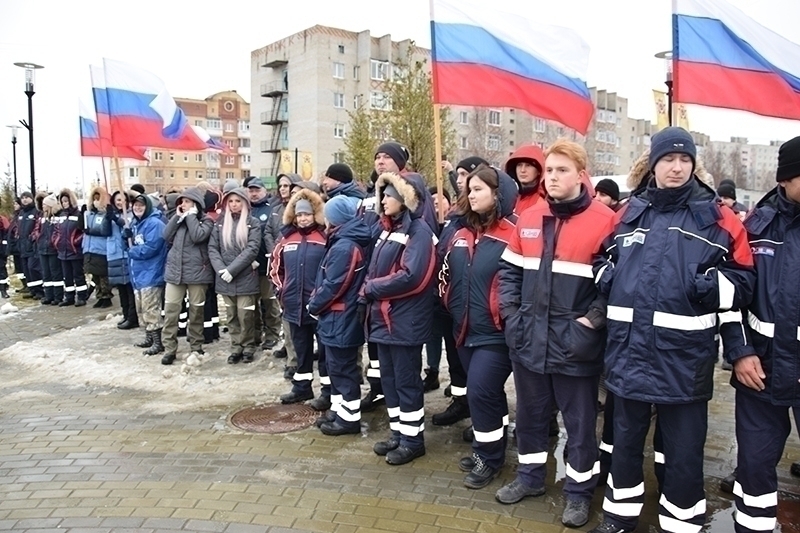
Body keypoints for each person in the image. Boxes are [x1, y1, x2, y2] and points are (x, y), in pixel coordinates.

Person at [588, 127, 755, 533]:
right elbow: (599, 259)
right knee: (625, 450)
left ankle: (681, 525)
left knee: (682, 456)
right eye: (668, 159)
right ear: (654, 164)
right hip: (628, 358)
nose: (676, 167)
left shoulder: (719, 219)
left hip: (684, 362)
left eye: (684, 160)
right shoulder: (629, 213)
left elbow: (745, 282)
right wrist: (609, 276)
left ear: (694, 166)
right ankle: (619, 520)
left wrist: (708, 285)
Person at [498, 140, 615, 527]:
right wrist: (512, 316)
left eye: (561, 170)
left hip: (575, 346)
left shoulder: (605, 221)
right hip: (529, 340)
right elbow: (510, 273)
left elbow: (614, 285)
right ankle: (530, 477)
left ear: (581, 175)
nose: (552, 177)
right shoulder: (530, 216)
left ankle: (579, 493)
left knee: (580, 426)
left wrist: (591, 323)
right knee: (530, 418)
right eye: (549, 170)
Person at [723, 136, 800, 533]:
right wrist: (739, 351)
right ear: (784, 179)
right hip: (761, 370)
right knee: (754, 469)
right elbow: (731, 299)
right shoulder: (754, 229)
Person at [438, 164, 519, 489]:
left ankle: (488, 457)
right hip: (464, 329)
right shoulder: (460, 234)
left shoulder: (513, 232)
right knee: (488, 396)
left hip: (496, 333)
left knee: (481, 390)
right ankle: (493, 444)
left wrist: (505, 314)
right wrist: (450, 303)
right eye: (469, 190)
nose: (471, 194)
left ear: (498, 194)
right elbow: (446, 274)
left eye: (479, 189)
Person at [363, 170, 436, 466]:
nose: (383, 200)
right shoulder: (387, 229)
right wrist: (369, 287)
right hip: (384, 318)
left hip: (404, 320)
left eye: (390, 195)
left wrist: (371, 288)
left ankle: (413, 440)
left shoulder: (419, 232)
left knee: (406, 382)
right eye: (383, 194)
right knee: (390, 381)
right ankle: (398, 432)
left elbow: (413, 277)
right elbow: (375, 268)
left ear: (406, 199)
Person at [310, 195, 371, 434]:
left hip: (341, 317)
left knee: (344, 369)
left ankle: (348, 420)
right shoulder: (342, 241)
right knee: (336, 367)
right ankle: (338, 411)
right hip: (337, 317)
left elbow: (335, 284)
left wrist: (314, 304)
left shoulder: (345, 246)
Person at [271, 187, 328, 404]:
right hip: (294, 305)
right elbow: (275, 268)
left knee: (324, 351)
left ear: (314, 214)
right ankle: (302, 387)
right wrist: (280, 290)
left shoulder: (324, 237)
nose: (303, 219)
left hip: (319, 307)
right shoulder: (286, 238)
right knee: (300, 349)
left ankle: (327, 391)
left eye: (307, 214)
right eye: (299, 215)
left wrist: (322, 296)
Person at [161, 187, 215, 366]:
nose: (183, 205)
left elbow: (198, 236)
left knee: (196, 312)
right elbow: (165, 235)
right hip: (175, 273)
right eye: (181, 202)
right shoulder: (178, 219)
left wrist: (191, 216)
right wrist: (177, 217)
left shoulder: (206, 221)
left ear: (196, 204)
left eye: (187, 202)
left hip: (197, 274)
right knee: (171, 312)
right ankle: (169, 348)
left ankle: (196, 345)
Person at [208, 187, 261, 364]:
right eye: (230, 201)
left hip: (245, 276)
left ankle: (248, 346)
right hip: (224, 278)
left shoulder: (252, 223)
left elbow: (252, 249)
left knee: (245, 314)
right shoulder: (221, 223)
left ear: (244, 203)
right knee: (231, 315)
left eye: (237, 201)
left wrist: (232, 270)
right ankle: (235, 346)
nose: (234, 205)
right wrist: (221, 269)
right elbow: (213, 248)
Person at [267, 172, 302, 376]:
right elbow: (272, 235)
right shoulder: (278, 212)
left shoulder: (316, 223)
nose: (284, 189)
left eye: (288, 186)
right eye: (281, 186)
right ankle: (292, 359)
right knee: (287, 319)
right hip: (286, 275)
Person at [127, 194, 168, 356]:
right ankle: (149, 337)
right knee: (141, 308)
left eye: (141, 205)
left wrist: (132, 250)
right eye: (135, 205)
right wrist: (126, 239)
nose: (137, 208)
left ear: (148, 206)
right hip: (138, 274)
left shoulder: (155, 224)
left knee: (151, 308)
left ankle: (158, 341)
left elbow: (152, 248)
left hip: (151, 272)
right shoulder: (136, 224)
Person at [247, 178, 282, 350]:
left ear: (264, 190)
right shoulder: (244, 210)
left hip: (267, 264)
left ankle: (272, 334)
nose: (254, 194)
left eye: (257, 190)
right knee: (251, 304)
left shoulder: (271, 210)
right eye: (251, 190)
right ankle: (255, 334)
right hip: (248, 266)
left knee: (269, 302)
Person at [107, 191, 138, 329]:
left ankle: (133, 316)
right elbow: (104, 231)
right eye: (118, 200)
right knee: (121, 288)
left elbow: (128, 226)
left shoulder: (131, 214)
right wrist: (107, 218)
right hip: (114, 254)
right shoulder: (111, 213)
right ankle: (125, 314)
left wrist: (116, 219)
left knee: (129, 287)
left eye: (123, 200)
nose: (120, 203)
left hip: (127, 254)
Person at [54, 189, 88, 307]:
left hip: (75, 250)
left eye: (66, 201)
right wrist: (56, 242)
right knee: (67, 276)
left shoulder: (78, 215)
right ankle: (69, 297)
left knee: (78, 275)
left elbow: (83, 232)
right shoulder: (61, 216)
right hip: (63, 251)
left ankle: (82, 297)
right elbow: (57, 230)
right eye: (62, 202)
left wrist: (75, 242)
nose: (64, 204)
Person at [83, 187, 114, 308]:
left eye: (98, 199)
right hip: (90, 248)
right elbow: (83, 227)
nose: (96, 201)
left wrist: (90, 231)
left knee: (103, 275)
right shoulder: (90, 214)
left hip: (101, 249)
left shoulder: (105, 214)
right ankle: (99, 295)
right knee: (95, 275)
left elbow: (104, 230)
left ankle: (106, 296)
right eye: (94, 199)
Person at [34, 194, 63, 306]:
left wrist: (53, 242)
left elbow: (58, 233)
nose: (43, 206)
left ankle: (58, 296)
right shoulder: (42, 218)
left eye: (45, 204)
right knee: (46, 274)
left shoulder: (56, 218)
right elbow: (38, 230)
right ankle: (49, 295)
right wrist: (37, 237)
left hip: (52, 249)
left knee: (55, 273)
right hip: (42, 248)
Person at [17, 191, 44, 299]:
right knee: (26, 270)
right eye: (22, 198)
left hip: (32, 246)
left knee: (33, 268)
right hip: (22, 246)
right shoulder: (21, 213)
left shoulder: (36, 211)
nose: (24, 200)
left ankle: (39, 291)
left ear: (31, 199)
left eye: (27, 197)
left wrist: (32, 238)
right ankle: (32, 289)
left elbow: (37, 228)